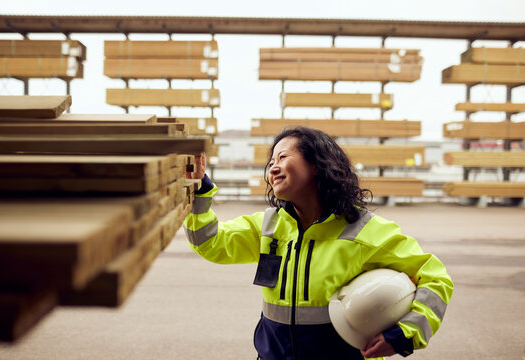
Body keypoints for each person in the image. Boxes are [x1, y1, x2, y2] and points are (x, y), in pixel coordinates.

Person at [184, 126, 453, 360]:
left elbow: (435, 278)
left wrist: (406, 333)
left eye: (283, 156)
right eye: (271, 161)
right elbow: (209, 242)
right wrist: (201, 191)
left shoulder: (365, 232)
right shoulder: (267, 227)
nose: (273, 167)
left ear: (316, 164)